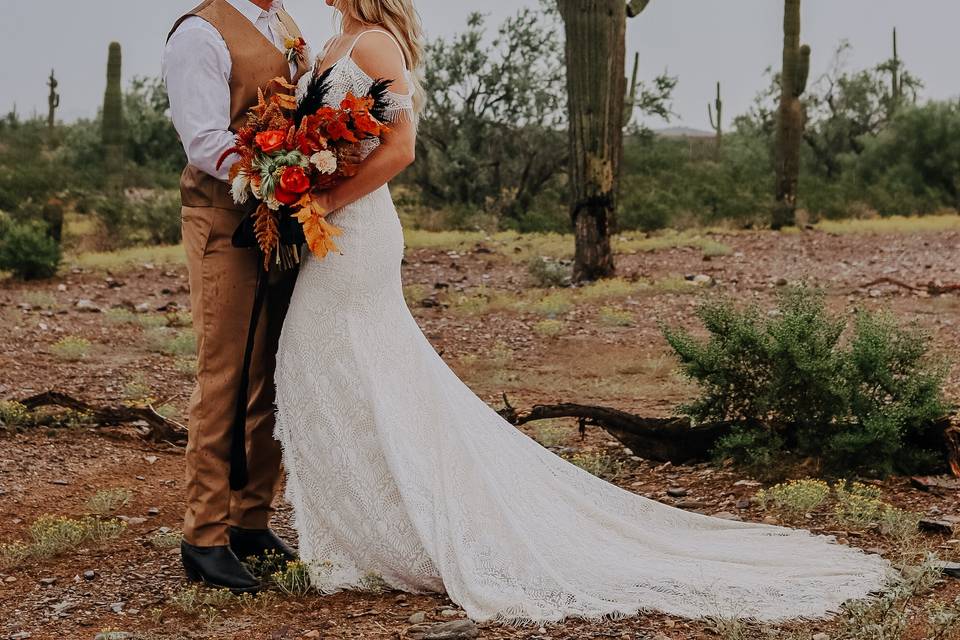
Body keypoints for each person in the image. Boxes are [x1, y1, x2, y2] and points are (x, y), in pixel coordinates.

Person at [274, 0, 893, 624]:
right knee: (340, 367)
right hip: (326, 225)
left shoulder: (375, 44)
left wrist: (328, 197)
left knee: (332, 356)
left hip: (357, 231)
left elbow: (401, 148)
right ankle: (369, 525)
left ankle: (409, 524)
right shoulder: (329, 42)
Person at [163, 0, 309, 592]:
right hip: (224, 219)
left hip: (284, 219)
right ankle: (203, 535)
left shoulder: (288, 27)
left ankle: (251, 520)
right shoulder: (200, 32)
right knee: (224, 372)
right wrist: (281, 173)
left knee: (273, 371)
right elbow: (203, 139)